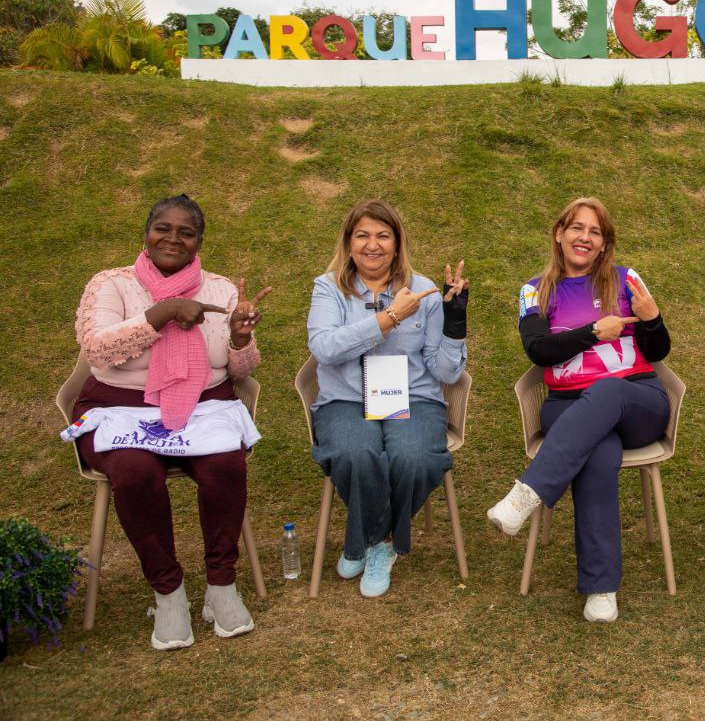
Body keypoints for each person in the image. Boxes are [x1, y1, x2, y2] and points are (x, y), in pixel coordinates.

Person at [67, 194, 270, 650]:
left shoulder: (220, 289)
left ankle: (220, 585)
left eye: (186, 232)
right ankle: (168, 591)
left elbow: (238, 371)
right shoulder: (112, 284)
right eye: (163, 228)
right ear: (146, 232)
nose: (172, 238)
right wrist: (164, 311)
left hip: (202, 405)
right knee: (135, 474)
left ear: (199, 241)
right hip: (121, 408)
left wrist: (240, 338)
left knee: (226, 467)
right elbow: (97, 349)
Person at [486, 197, 671, 624]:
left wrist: (653, 319)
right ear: (559, 233)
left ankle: (526, 494)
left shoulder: (626, 280)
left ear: (605, 244)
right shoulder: (535, 290)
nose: (584, 238)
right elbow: (537, 350)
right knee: (598, 456)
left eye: (595, 232)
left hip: (637, 400)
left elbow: (658, 350)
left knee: (608, 390)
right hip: (567, 405)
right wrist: (591, 333)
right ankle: (601, 588)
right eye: (576, 228)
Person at [306, 199, 468, 598]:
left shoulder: (424, 290)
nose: (372, 245)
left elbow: (446, 371)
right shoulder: (329, 287)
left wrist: (456, 321)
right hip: (346, 398)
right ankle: (382, 540)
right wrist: (388, 318)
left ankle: (368, 542)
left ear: (398, 243)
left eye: (383, 236)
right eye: (362, 235)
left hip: (412, 398)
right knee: (354, 453)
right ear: (348, 242)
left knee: (411, 457)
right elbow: (324, 348)